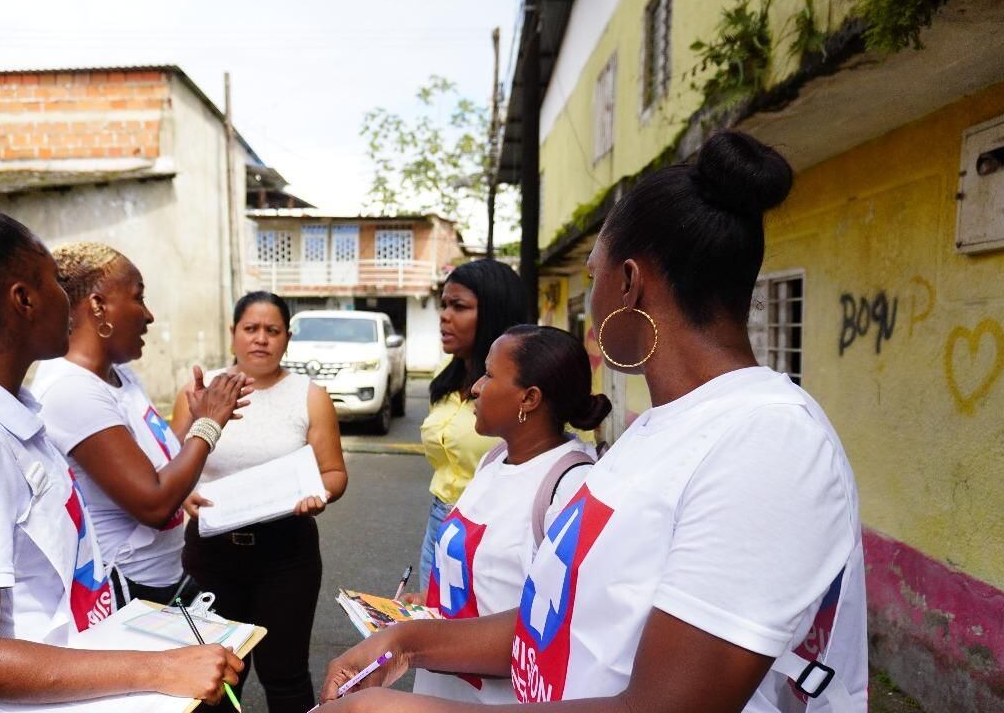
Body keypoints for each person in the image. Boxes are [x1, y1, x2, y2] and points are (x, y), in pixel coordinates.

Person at [317, 130, 868, 712]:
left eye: (592, 275)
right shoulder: (655, 432)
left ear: (628, 284)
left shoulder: (768, 442)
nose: (594, 297)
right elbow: (561, 623)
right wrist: (410, 640)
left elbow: (666, 706)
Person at [0, 170, 241, 712]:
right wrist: (161, 668)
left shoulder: (9, 415)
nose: (72, 302)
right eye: (56, 285)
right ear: (23, 300)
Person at [31, 242, 250, 608]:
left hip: (163, 579)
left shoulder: (121, 377)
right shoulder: (71, 390)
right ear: (99, 305)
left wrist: (196, 420)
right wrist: (209, 425)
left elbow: (158, 469)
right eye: (138, 298)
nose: (149, 316)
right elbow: (154, 503)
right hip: (123, 591)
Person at [171, 290, 348, 713]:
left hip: (287, 554)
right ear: (233, 334)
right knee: (212, 679)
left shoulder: (310, 394)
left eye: (273, 330)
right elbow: (170, 465)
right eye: (251, 329)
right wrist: (184, 494)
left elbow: (335, 472)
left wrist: (320, 494)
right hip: (210, 552)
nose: (261, 339)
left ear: (287, 338)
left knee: (285, 673)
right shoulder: (200, 393)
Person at [413, 324, 609, 704]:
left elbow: (551, 627)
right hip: (444, 688)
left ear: (529, 398)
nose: (475, 387)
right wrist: (423, 606)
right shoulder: (494, 459)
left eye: (489, 374)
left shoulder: (569, 487)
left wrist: (411, 643)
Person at [418, 258, 527, 592]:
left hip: (493, 530)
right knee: (427, 624)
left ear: (493, 312)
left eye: (459, 306)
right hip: (440, 521)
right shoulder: (445, 373)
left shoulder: (526, 384)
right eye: (444, 305)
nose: (444, 316)